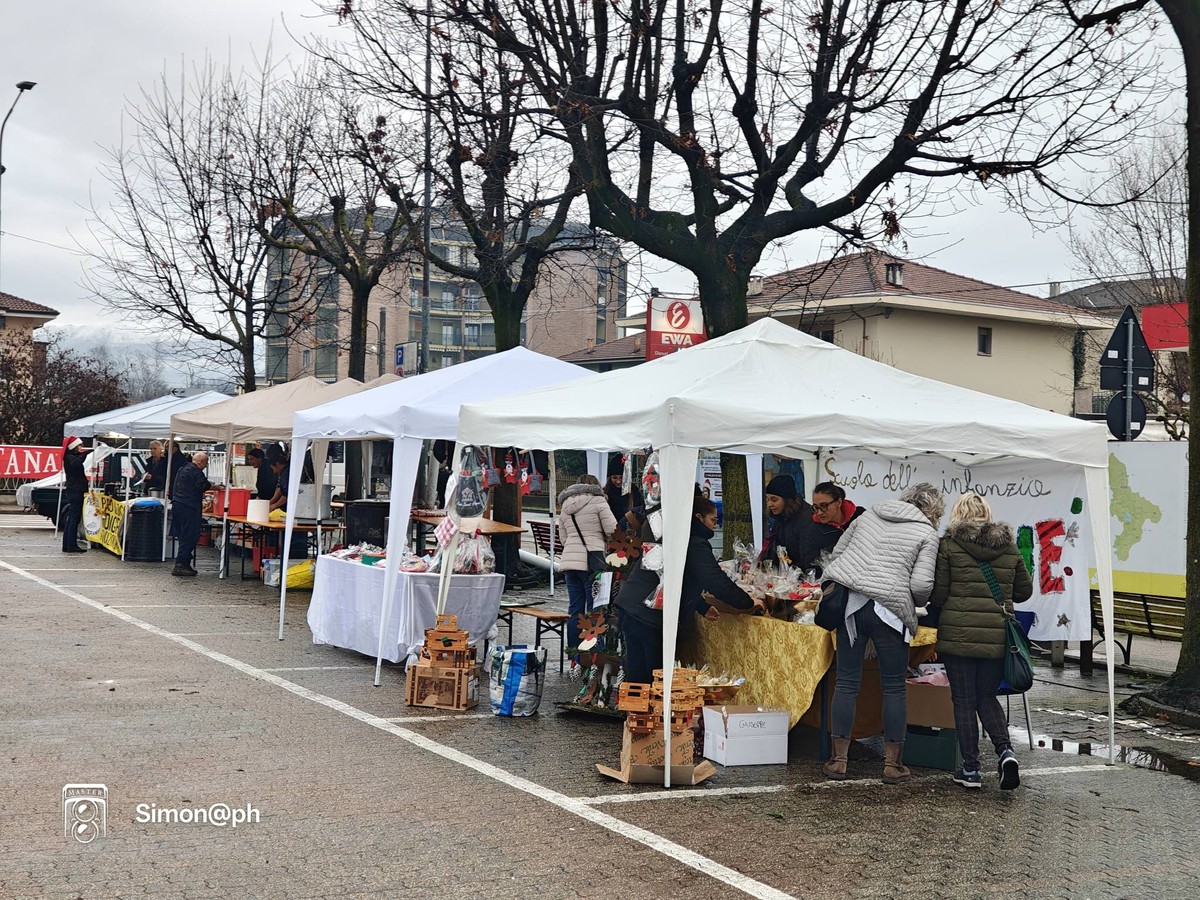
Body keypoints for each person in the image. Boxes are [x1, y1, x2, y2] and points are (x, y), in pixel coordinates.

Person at [820, 482, 944, 784]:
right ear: (933, 510)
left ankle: (838, 761)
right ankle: (893, 764)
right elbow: (920, 586)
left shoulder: (867, 516)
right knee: (893, 687)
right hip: (890, 612)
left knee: (847, 682)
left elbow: (836, 555)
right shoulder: (927, 533)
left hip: (850, 606)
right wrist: (913, 601)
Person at [930, 492, 1033, 791]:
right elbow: (1023, 593)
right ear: (987, 514)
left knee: (963, 701)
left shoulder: (948, 545)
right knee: (986, 697)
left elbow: (938, 594)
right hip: (996, 636)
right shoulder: (1009, 547)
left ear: (957, 515)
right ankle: (1005, 752)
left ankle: (971, 769)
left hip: (958, 636)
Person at [617, 496, 764, 684]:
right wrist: (748, 602)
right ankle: (652, 712)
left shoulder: (680, 536)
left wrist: (701, 606)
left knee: (638, 676)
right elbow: (715, 581)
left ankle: (636, 711)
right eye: (713, 520)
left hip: (633, 605)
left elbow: (679, 578)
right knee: (654, 678)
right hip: (649, 615)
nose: (715, 525)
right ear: (699, 517)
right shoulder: (695, 542)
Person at [558, 475, 619, 660]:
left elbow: (563, 538)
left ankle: (575, 655)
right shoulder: (599, 501)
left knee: (575, 609)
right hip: (592, 562)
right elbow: (613, 530)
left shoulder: (565, 506)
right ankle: (593, 655)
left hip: (570, 562)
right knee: (595, 609)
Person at [794, 482, 863, 573]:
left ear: (838, 502)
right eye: (816, 507)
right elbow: (810, 565)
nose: (819, 513)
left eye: (824, 506)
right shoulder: (813, 530)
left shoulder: (860, 516)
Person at [758, 474, 813, 568]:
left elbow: (807, 558)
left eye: (774, 500)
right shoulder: (781, 517)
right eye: (767, 500)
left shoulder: (805, 519)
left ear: (787, 499)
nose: (769, 504)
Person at [171, 451, 211, 576]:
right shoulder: (196, 471)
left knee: (183, 535)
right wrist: (214, 487)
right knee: (190, 535)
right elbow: (203, 485)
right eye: (206, 463)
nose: (205, 466)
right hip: (189, 506)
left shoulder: (183, 468)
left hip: (178, 504)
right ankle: (181, 564)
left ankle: (183, 562)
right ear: (201, 462)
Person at [60, 436, 89, 553]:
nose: (81, 448)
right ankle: (71, 545)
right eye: (79, 446)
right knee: (74, 518)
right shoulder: (70, 457)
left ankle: (67, 544)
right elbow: (76, 464)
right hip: (75, 490)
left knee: (72, 518)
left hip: (74, 489)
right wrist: (85, 454)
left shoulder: (70, 457)